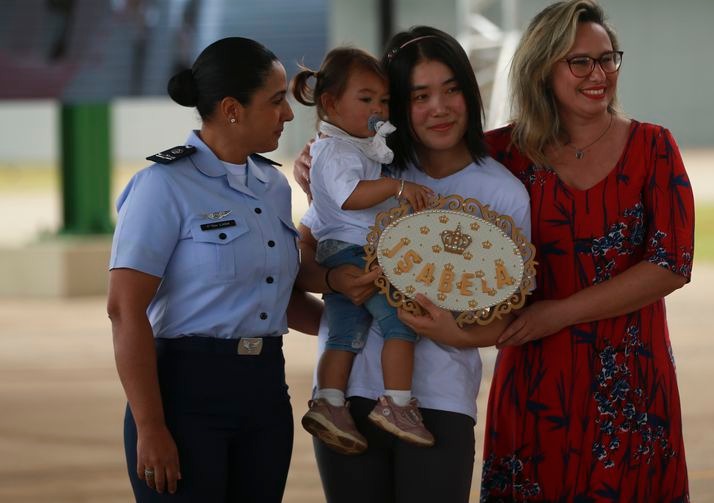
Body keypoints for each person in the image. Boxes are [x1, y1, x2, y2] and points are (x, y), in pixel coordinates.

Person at [399, 2, 694, 501]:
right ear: (543, 68)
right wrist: (321, 157)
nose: (598, 74)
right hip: (536, 384)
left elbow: (671, 264)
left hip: (633, 385)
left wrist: (557, 315)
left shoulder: (653, 147)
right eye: (580, 62)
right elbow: (403, 165)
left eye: (608, 59)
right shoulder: (500, 156)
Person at [294, 26, 531, 502]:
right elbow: (298, 269)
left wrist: (454, 333)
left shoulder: (503, 192)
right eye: (419, 95)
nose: (438, 108)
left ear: (471, 91)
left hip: (438, 403)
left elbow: (508, 315)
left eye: (451, 89)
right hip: (346, 399)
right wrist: (337, 283)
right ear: (392, 105)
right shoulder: (366, 170)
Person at [107, 37, 320, 502]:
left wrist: (360, 327)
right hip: (185, 397)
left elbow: (279, 296)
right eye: (276, 100)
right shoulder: (162, 186)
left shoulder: (273, 186)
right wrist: (151, 426)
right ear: (231, 109)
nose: (287, 114)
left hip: (265, 392)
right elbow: (125, 310)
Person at [290, 47, 436, 454]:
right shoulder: (336, 151)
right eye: (366, 98)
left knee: (344, 335)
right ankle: (398, 403)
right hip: (356, 251)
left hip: (343, 251)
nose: (378, 108)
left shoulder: (350, 145)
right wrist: (399, 188)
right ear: (330, 104)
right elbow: (350, 195)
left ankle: (330, 402)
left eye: (384, 100)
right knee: (400, 325)